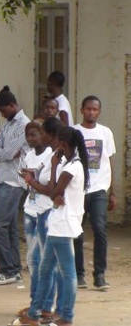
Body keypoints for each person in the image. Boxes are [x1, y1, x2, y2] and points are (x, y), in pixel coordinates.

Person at [14, 126, 89, 326]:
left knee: (67, 273)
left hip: (63, 225)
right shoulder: (69, 164)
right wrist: (55, 191)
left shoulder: (71, 167)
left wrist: (53, 167)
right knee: (45, 270)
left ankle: (67, 317)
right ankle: (35, 313)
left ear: (63, 143)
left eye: (56, 142)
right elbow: (55, 193)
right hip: (56, 223)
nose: (53, 145)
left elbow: (53, 190)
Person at [16, 118, 63, 323]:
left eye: (37, 133)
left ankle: (46, 305)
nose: (33, 138)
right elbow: (29, 185)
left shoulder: (52, 156)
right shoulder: (28, 155)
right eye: (29, 135)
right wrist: (27, 179)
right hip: (30, 209)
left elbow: (48, 186)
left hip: (45, 211)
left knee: (45, 261)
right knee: (32, 260)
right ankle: (36, 301)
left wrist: (32, 179)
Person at [72, 96, 116, 289]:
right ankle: (78, 274)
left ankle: (99, 274)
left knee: (100, 229)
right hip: (79, 189)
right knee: (77, 231)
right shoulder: (74, 131)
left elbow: (109, 161)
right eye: (88, 109)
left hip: (99, 188)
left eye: (95, 109)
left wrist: (112, 191)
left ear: (99, 111)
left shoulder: (105, 132)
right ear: (82, 110)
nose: (91, 112)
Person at [0, 86, 30, 285]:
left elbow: (6, 152)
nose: (2, 115)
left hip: (15, 180)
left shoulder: (24, 124)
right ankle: (14, 270)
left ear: (13, 105)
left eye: (4, 111)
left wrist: (3, 152)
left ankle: (7, 269)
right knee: (11, 227)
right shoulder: (7, 124)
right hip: (5, 179)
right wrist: (4, 152)